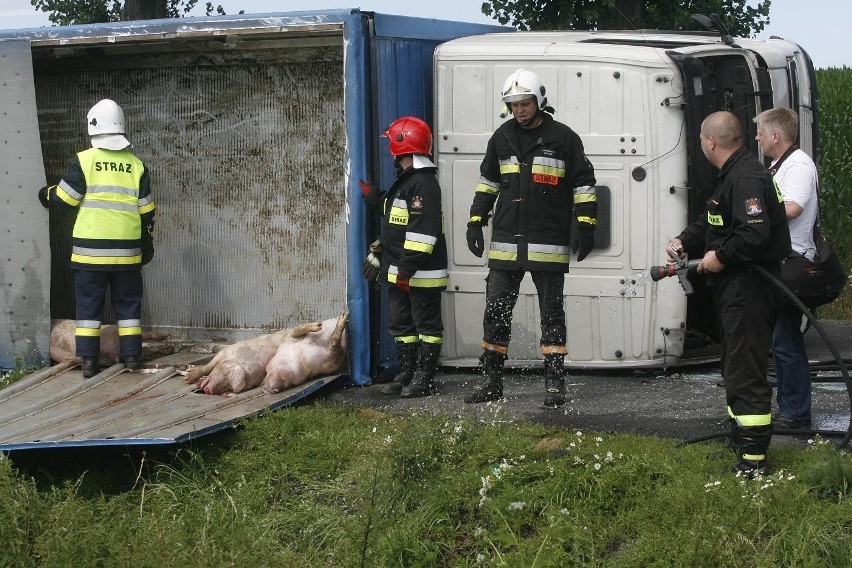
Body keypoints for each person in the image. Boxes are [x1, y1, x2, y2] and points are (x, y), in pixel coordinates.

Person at [667, 111, 790, 476]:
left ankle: (754, 462)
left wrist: (718, 257)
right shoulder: (733, 175)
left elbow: (754, 236)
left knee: (745, 370)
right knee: (734, 366)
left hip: (751, 287)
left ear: (710, 142)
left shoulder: (748, 176)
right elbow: (713, 221)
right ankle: (740, 441)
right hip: (736, 288)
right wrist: (683, 241)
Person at [464, 68, 597, 407]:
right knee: (495, 311)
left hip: (547, 241)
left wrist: (586, 226)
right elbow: (488, 183)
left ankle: (554, 382)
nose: (518, 110)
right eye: (513, 105)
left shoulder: (564, 138)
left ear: (539, 101)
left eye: (524, 103)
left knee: (551, 313)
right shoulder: (502, 137)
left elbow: (583, 184)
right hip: (506, 241)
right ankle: (492, 380)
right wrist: (475, 220)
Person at [38, 99, 156, 378]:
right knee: (128, 309)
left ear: (93, 128)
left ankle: (89, 363)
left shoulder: (84, 160)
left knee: (89, 308)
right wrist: (146, 241)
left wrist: (46, 194)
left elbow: (66, 200)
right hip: (127, 253)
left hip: (89, 253)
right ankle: (132, 359)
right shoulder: (137, 165)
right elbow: (148, 211)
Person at [361, 116, 448, 398]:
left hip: (417, 272)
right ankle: (406, 374)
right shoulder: (408, 180)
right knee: (401, 324)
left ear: (400, 146)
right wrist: (375, 197)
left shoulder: (423, 183)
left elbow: (424, 232)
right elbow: (397, 214)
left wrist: (406, 268)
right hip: (401, 270)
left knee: (427, 326)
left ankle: (425, 379)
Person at [754, 108, 819, 431]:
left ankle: (796, 413)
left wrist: (754, 213)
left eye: (761, 133)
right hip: (779, 261)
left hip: (793, 262)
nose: (758, 138)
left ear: (776, 136)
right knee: (779, 340)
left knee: (785, 340)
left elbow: (793, 207)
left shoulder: (798, 166)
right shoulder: (780, 165)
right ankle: (790, 408)